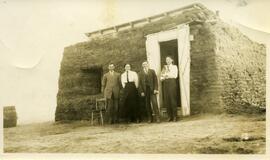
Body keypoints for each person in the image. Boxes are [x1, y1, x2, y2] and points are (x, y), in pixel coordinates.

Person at [161, 56, 178, 122]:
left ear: (172, 60)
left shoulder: (174, 67)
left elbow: (175, 75)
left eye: (169, 59)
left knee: (172, 99)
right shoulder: (164, 67)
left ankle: (175, 116)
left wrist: (166, 75)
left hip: (172, 82)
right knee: (167, 100)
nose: (167, 61)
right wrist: (163, 77)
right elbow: (161, 77)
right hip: (165, 83)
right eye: (166, 60)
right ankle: (169, 116)